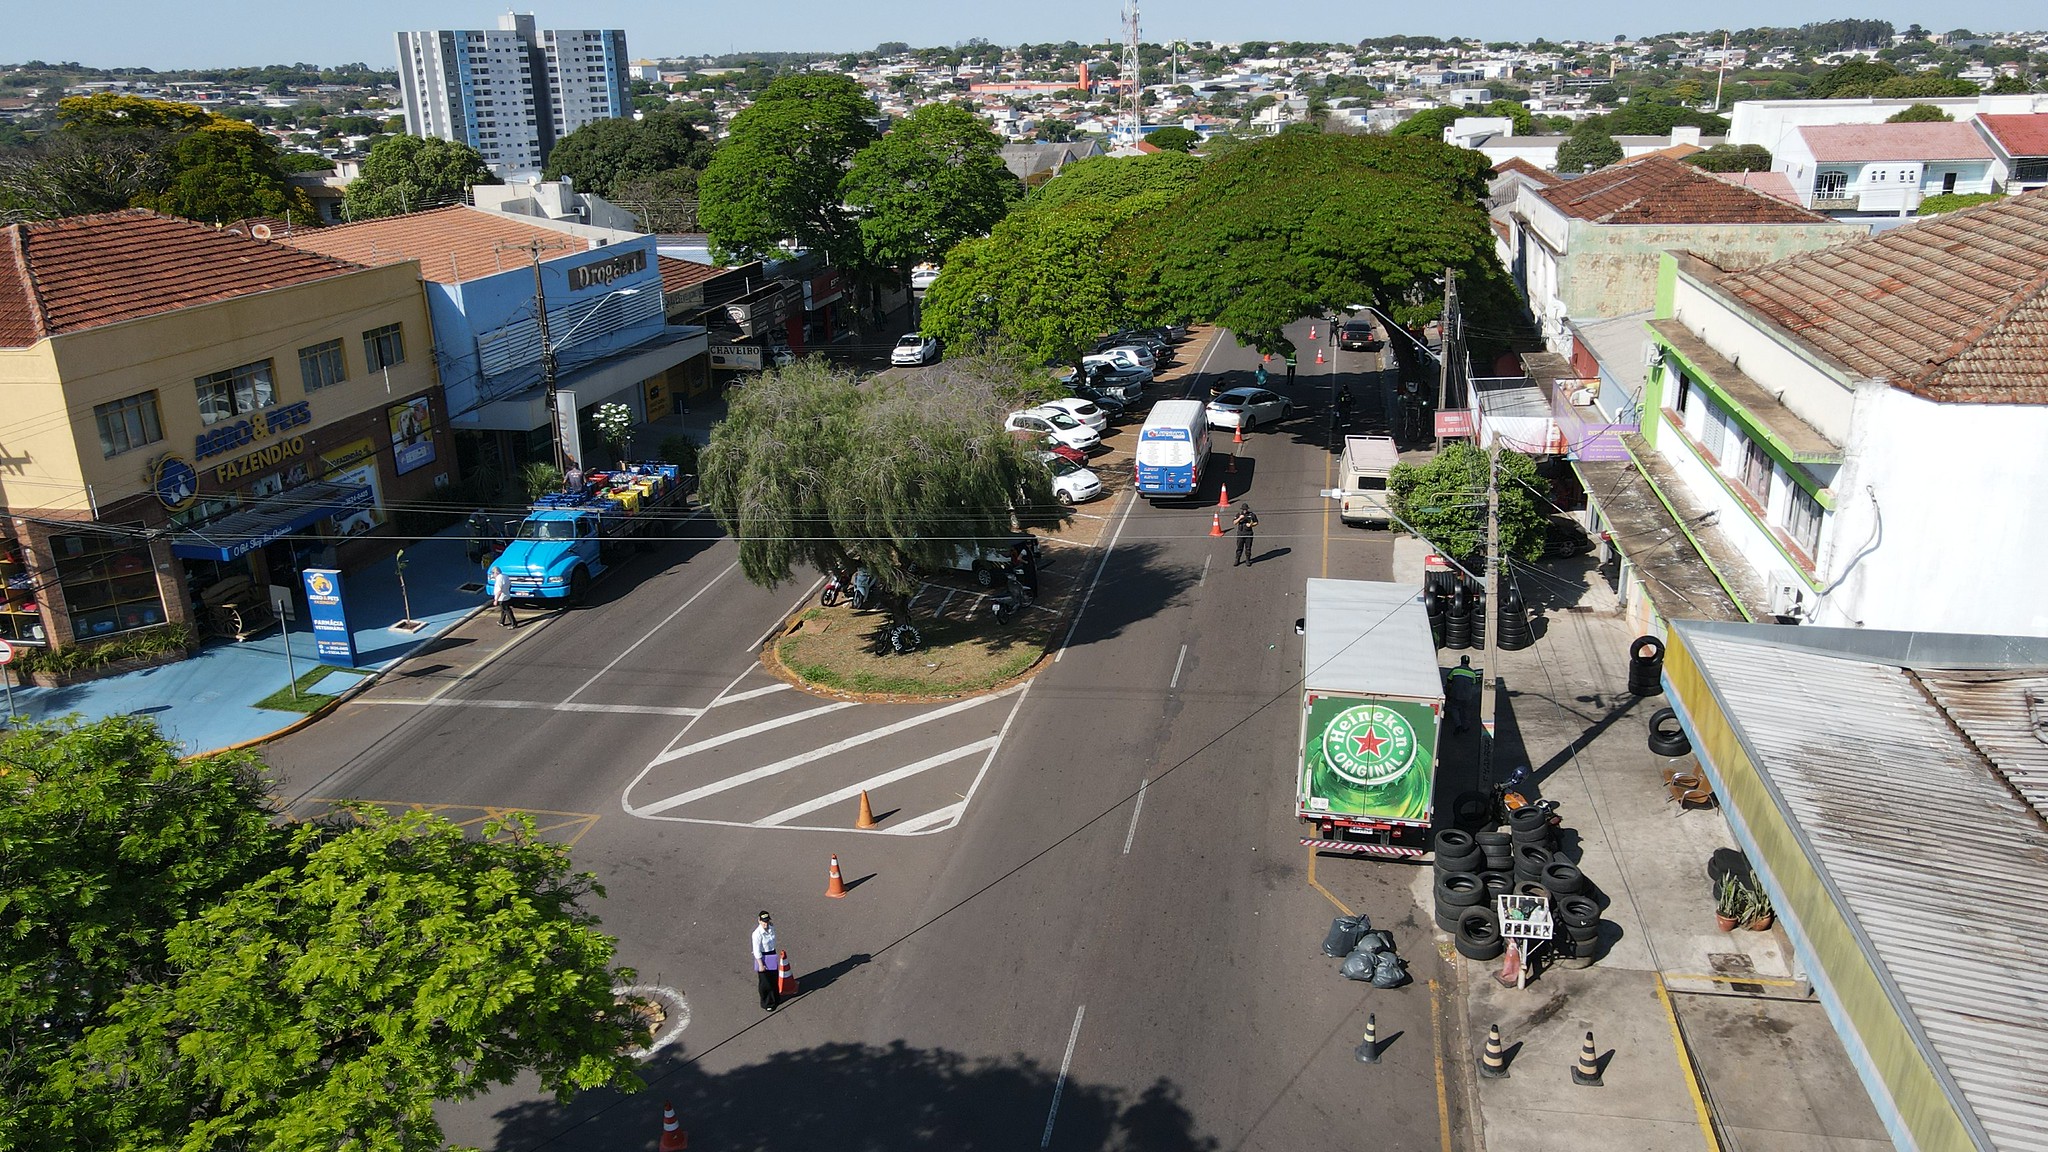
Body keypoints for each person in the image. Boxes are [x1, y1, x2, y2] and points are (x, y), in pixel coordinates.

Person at [751, 911, 781, 1010]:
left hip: (771, 954)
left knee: (773, 977)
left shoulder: (771, 928)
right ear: (759, 920)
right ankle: (768, 1003)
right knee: (765, 981)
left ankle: (775, 998)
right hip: (763, 956)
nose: (766, 923)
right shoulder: (757, 934)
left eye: (767, 921)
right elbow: (756, 951)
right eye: (764, 921)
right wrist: (760, 964)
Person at [1447, 655, 1481, 734]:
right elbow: (1474, 683)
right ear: (1468, 662)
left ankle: (1458, 724)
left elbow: (1449, 680)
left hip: (1455, 694)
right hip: (1467, 696)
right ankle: (1466, 727)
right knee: (1466, 711)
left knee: (1454, 709)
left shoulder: (1455, 670)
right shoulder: (1472, 673)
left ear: (1461, 661)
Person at [1233, 502, 1259, 566]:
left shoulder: (1251, 515)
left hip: (1248, 533)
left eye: (1246, 509)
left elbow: (1256, 522)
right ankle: (1237, 559)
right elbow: (1234, 522)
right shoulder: (1238, 514)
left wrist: (1251, 525)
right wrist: (1239, 518)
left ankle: (1248, 560)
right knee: (1239, 547)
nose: (1245, 510)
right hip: (1240, 533)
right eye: (1243, 509)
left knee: (1248, 548)